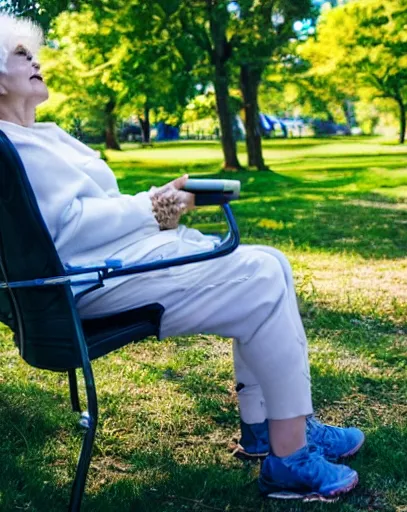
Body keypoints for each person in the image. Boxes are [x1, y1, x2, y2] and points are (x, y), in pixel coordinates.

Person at [0, 14, 364, 502]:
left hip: (113, 263)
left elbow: (90, 213)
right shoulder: (10, 147)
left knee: (271, 262)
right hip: (88, 283)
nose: (36, 61)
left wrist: (159, 205)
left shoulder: (40, 135)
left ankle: (270, 426)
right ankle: (289, 454)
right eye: (22, 55)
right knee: (261, 276)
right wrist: (153, 207)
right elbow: (66, 229)